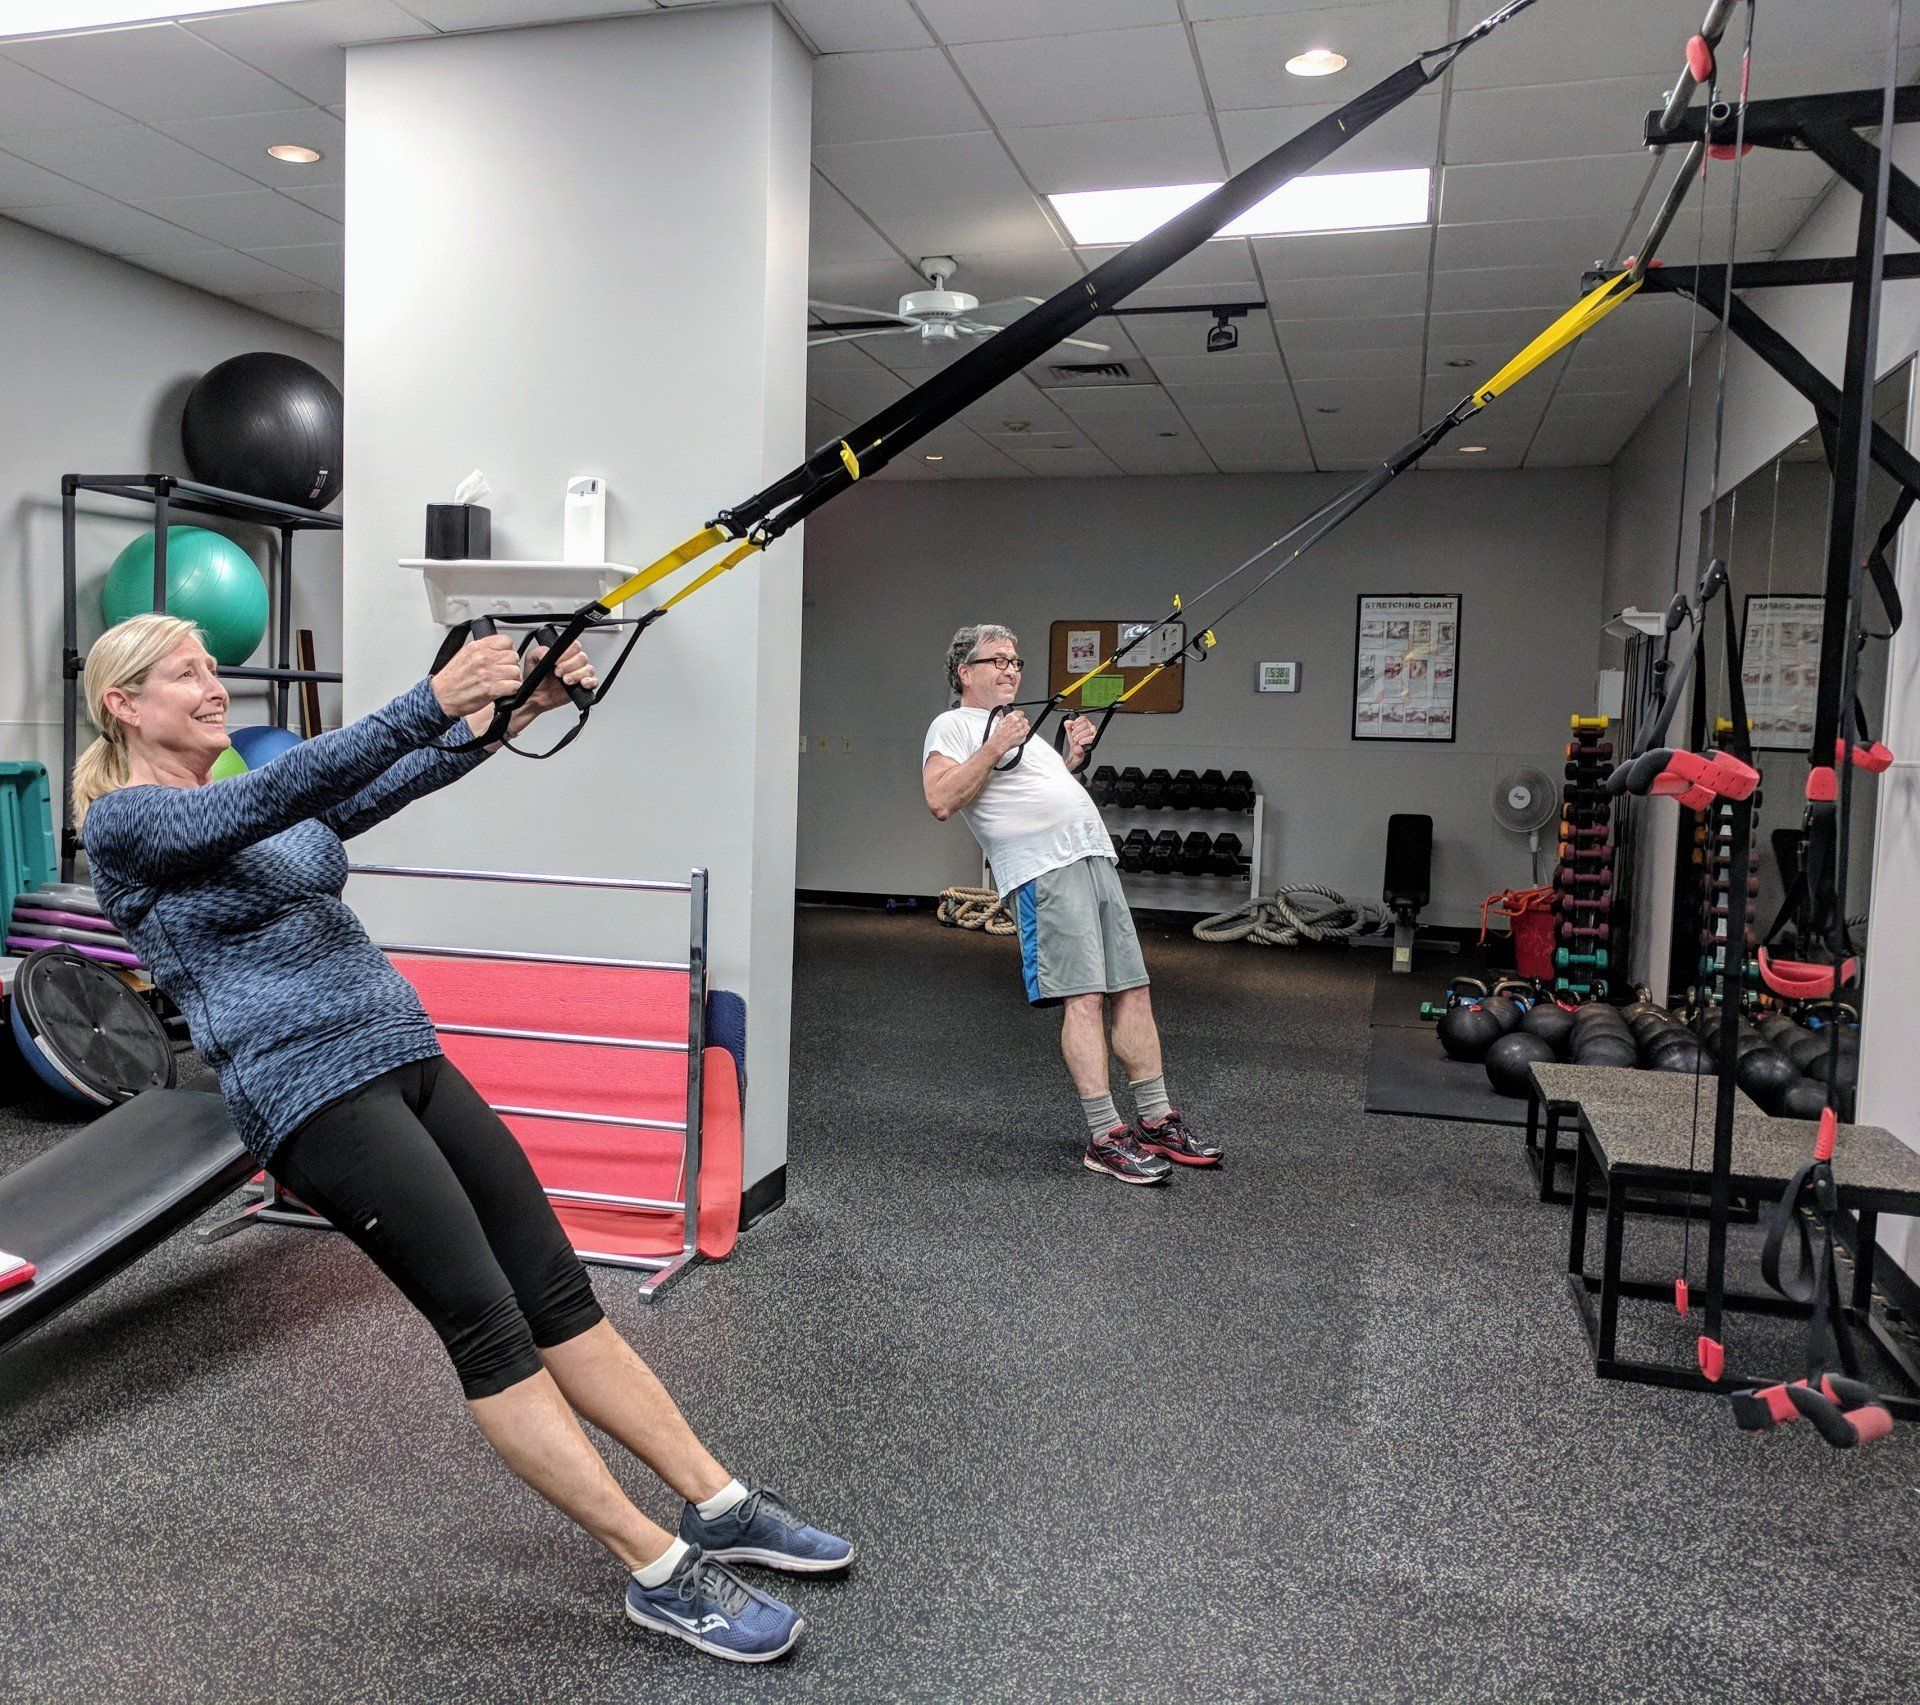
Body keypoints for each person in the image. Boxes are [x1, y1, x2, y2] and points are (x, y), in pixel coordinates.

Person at [74, 612, 850, 1666]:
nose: (216, 687)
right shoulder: (128, 823)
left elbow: (377, 785)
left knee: (556, 1289)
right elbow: (282, 791)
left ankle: (716, 1499)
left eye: (215, 667)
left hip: (408, 1054)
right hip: (309, 1096)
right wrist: (434, 696)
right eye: (185, 675)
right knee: (488, 1326)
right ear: (124, 703)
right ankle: (657, 1567)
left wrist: (509, 713)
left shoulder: (238, 804)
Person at [921, 623, 1222, 1184]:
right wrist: (994, 744)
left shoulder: (1020, 730)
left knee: (1133, 988)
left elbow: (1032, 787)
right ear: (965, 672)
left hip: (1091, 857)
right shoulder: (955, 725)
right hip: (1043, 872)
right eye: (999, 661)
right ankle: (1106, 1134)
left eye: (1016, 660)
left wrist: (1071, 758)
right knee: (1083, 998)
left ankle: (1155, 1120)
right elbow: (941, 799)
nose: (1012, 669)